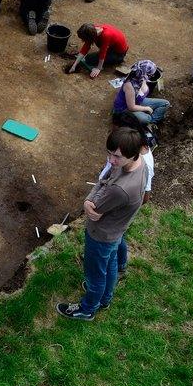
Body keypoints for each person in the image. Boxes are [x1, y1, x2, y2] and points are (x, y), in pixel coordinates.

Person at [57, 128, 148, 321]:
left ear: (133, 154)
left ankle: (88, 309)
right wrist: (96, 192)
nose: (111, 160)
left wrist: (87, 201)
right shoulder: (140, 165)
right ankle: (105, 299)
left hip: (101, 235)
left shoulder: (120, 189)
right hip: (116, 232)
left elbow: (94, 207)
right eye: (109, 153)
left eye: (117, 156)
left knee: (95, 275)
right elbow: (104, 178)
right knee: (111, 263)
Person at [96, 112, 155, 277]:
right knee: (117, 240)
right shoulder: (127, 156)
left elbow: (145, 197)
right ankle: (119, 265)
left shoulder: (144, 162)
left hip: (116, 211)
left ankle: (115, 269)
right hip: (114, 203)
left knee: (114, 243)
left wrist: (114, 204)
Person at [112, 59, 170, 125]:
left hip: (138, 101)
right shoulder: (130, 86)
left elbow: (144, 90)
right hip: (124, 109)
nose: (151, 76)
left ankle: (151, 121)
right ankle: (149, 123)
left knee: (165, 104)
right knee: (147, 119)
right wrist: (146, 108)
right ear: (145, 74)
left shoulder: (140, 77)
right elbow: (131, 107)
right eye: (150, 75)